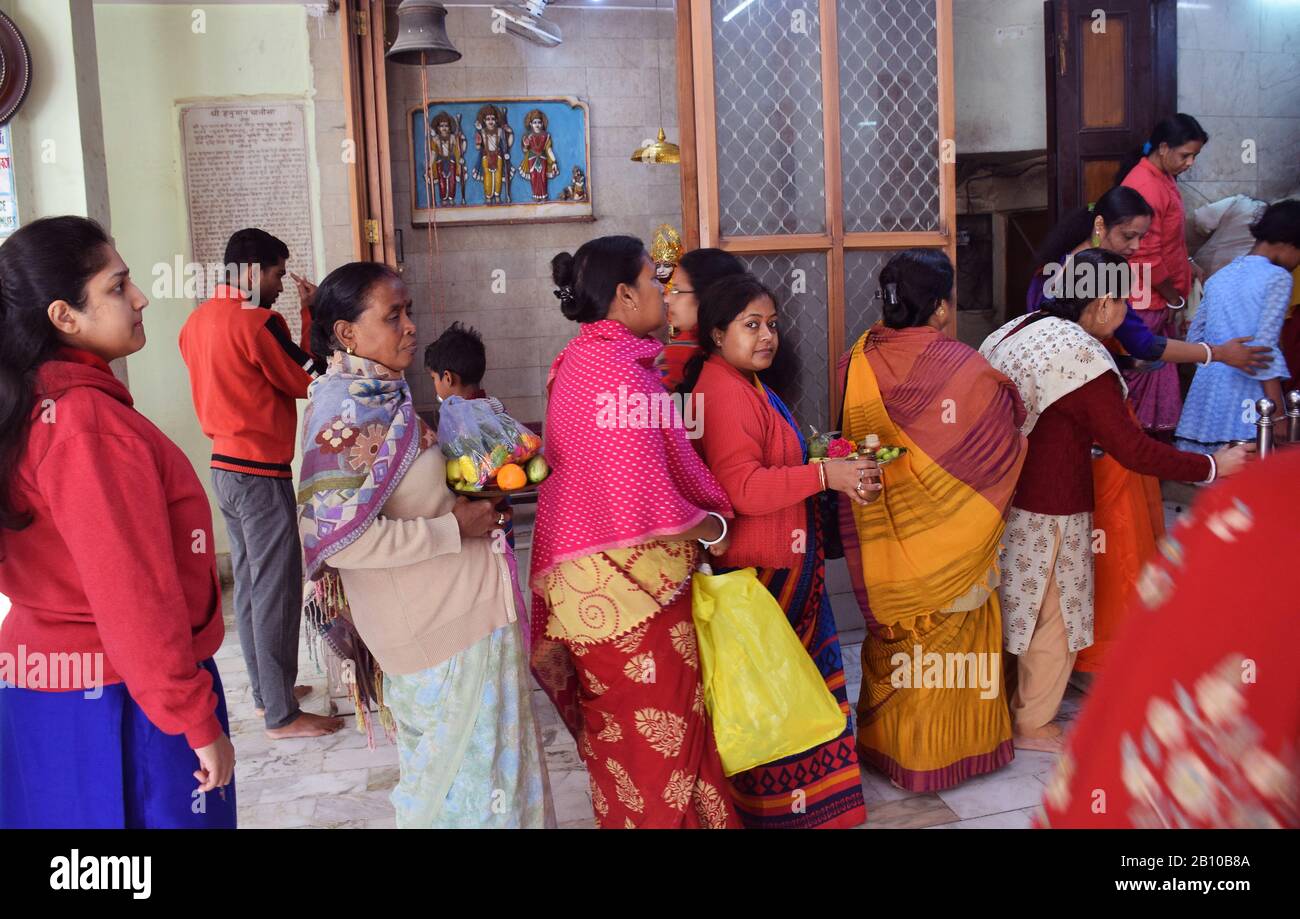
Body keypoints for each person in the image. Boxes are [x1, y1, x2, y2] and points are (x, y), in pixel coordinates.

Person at [0, 216, 235, 828]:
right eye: (117, 286)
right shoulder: (84, 426)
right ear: (63, 316)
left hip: (44, 686)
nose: (140, 298)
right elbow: (134, 595)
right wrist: (192, 717)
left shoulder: (30, 403)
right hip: (119, 696)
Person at [298, 262, 552, 828]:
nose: (411, 326)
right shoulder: (346, 411)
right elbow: (340, 540)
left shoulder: (380, 395)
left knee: (481, 784)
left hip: (457, 621)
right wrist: (451, 528)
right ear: (347, 333)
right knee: (472, 794)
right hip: (440, 634)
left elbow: (403, 496)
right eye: (394, 316)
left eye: (409, 311)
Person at [980, 249, 1250, 753]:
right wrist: (1214, 466)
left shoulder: (1016, 329)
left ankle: (1001, 705)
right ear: (1103, 303)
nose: (1127, 315)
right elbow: (1133, 450)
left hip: (1000, 495)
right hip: (1053, 501)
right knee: (1051, 614)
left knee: (1013, 603)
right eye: (1126, 304)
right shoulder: (1082, 359)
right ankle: (1033, 722)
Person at [530, 235, 741, 829]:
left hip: (588, 589)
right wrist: (711, 525)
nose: (665, 294)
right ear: (624, 295)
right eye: (656, 282)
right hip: (629, 594)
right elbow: (642, 497)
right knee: (664, 737)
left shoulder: (580, 359)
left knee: (624, 738)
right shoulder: (621, 375)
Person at [1029, 185, 1270, 676]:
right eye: (1130, 236)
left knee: (1070, 574)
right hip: (1081, 454)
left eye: (1143, 238)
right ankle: (1095, 659)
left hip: (1068, 449)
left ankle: (1087, 658)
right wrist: (1216, 358)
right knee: (1100, 557)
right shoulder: (1086, 334)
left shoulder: (1057, 298)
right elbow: (1143, 347)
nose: (1137, 247)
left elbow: (1133, 346)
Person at [836, 250, 1027, 792]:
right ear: (941, 306)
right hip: (953, 539)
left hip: (888, 539)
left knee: (900, 631)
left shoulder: (861, 356)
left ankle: (888, 750)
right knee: (955, 634)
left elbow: (856, 440)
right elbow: (1002, 432)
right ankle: (956, 753)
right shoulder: (962, 365)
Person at [686, 273, 871, 828]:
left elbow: (769, 463)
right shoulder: (721, 391)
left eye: (772, 325)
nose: (768, 336)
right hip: (763, 571)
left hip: (786, 565)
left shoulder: (745, 381)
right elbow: (741, 489)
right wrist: (822, 475)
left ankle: (809, 808)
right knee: (781, 694)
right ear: (717, 334)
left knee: (796, 691)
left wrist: (827, 464)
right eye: (751, 325)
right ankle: (789, 812)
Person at [1038, 448, 1300, 829]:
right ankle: (1031, 718)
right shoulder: (1265, 507)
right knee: (1059, 618)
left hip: (1091, 505)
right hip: (1077, 508)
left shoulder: (1260, 503)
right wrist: (1210, 465)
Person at [179, 228, 341, 740]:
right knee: (275, 590)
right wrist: (313, 314)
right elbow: (309, 375)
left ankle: (266, 694)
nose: (277, 285)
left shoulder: (196, 322)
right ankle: (282, 716)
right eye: (275, 273)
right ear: (252, 271)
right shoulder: (256, 322)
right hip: (258, 472)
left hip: (223, 470)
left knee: (250, 587)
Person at [1176, 200, 1300, 453]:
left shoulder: (1220, 276)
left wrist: (1217, 362)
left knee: (1211, 473)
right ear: (1288, 243)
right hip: (1246, 395)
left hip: (1206, 397)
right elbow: (1264, 349)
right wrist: (1277, 415)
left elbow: (1195, 339)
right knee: (1252, 474)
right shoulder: (1278, 278)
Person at [1116, 114, 1210, 434]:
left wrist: (1187, 263)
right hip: (1145, 296)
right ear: (1164, 147)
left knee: (1156, 368)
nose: (1190, 163)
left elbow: (1168, 238)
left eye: (1194, 156)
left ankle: (1149, 444)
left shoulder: (1162, 176)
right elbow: (1145, 253)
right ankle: (1133, 444)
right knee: (1143, 367)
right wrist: (1172, 297)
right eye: (1186, 155)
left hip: (1157, 296)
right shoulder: (1144, 184)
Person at [658, 248, 746, 391]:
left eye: (676, 291)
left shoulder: (683, 350)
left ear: (706, 295)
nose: (668, 299)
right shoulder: (745, 344)